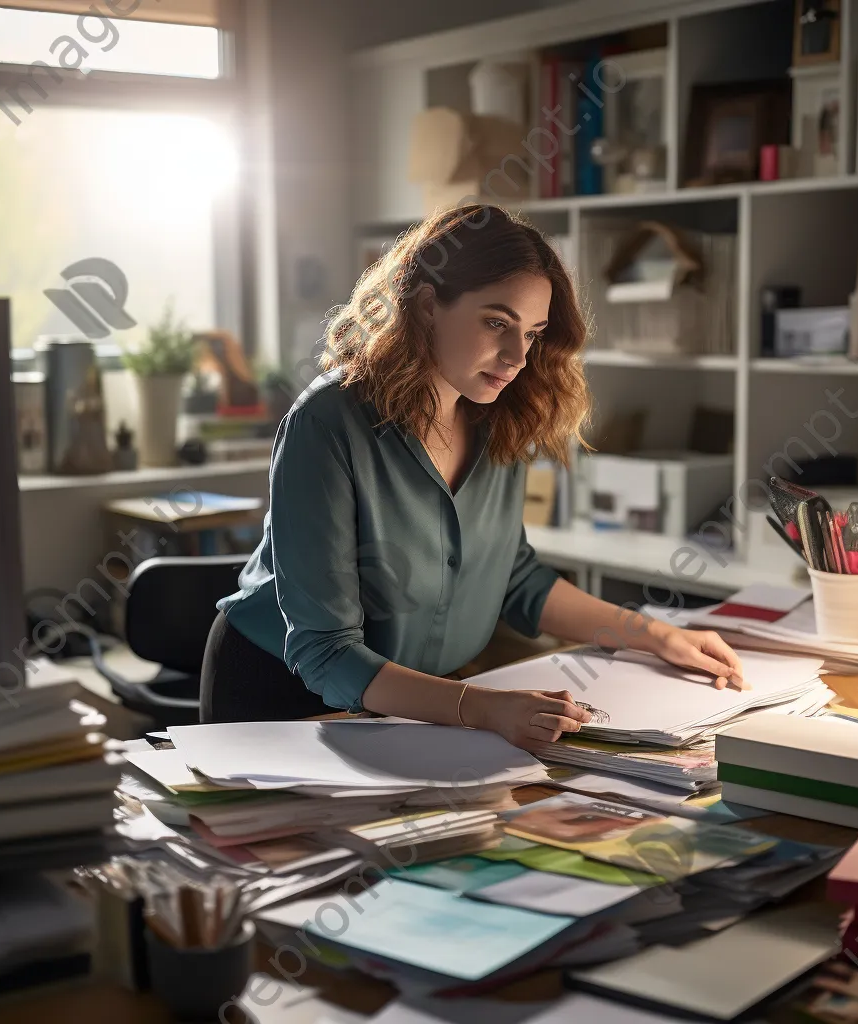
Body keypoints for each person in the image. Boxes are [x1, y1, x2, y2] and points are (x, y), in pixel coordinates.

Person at [203, 204, 746, 748]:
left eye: (532, 334)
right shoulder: (327, 424)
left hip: (426, 704)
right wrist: (479, 708)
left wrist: (656, 637)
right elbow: (326, 653)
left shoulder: (500, 417)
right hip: (283, 699)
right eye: (496, 323)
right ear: (426, 306)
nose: (516, 356)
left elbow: (514, 579)